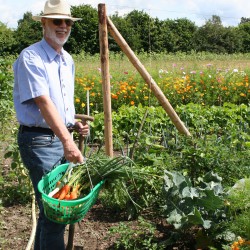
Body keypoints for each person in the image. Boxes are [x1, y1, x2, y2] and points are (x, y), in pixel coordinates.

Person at [13, 0, 88, 249]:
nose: (64, 26)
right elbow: (43, 102)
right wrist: (67, 141)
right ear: (44, 23)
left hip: (58, 136)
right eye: (57, 21)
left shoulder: (67, 60)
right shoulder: (31, 57)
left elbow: (59, 104)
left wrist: (72, 124)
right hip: (40, 141)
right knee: (55, 212)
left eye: (67, 22)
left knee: (55, 211)